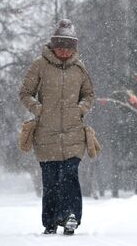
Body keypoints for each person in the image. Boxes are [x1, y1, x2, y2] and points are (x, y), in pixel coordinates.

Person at [19, 19, 95, 235]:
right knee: (51, 179)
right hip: (46, 135)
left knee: (70, 175)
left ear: (74, 48)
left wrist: (80, 109)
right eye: (60, 46)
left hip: (73, 134)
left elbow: (89, 94)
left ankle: (71, 217)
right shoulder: (39, 65)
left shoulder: (80, 68)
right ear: (53, 45)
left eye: (68, 47)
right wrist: (38, 109)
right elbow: (25, 93)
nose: (64, 51)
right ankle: (50, 221)